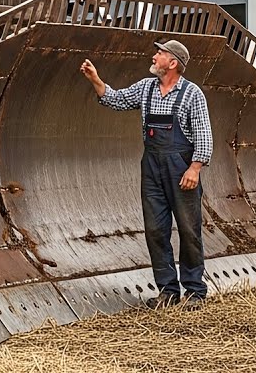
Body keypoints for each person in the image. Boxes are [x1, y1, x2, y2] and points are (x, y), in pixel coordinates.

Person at [80, 39, 213, 309]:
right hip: (152, 167)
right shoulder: (146, 88)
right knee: (155, 230)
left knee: (189, 229)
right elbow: (115, 99)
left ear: (173, 63)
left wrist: (195, 168)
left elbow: (204, 135)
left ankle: (195, 291)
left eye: (160, 53)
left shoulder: (192, 94)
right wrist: (95, 79)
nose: (154, 56)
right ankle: (168, 290)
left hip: (181, 169)